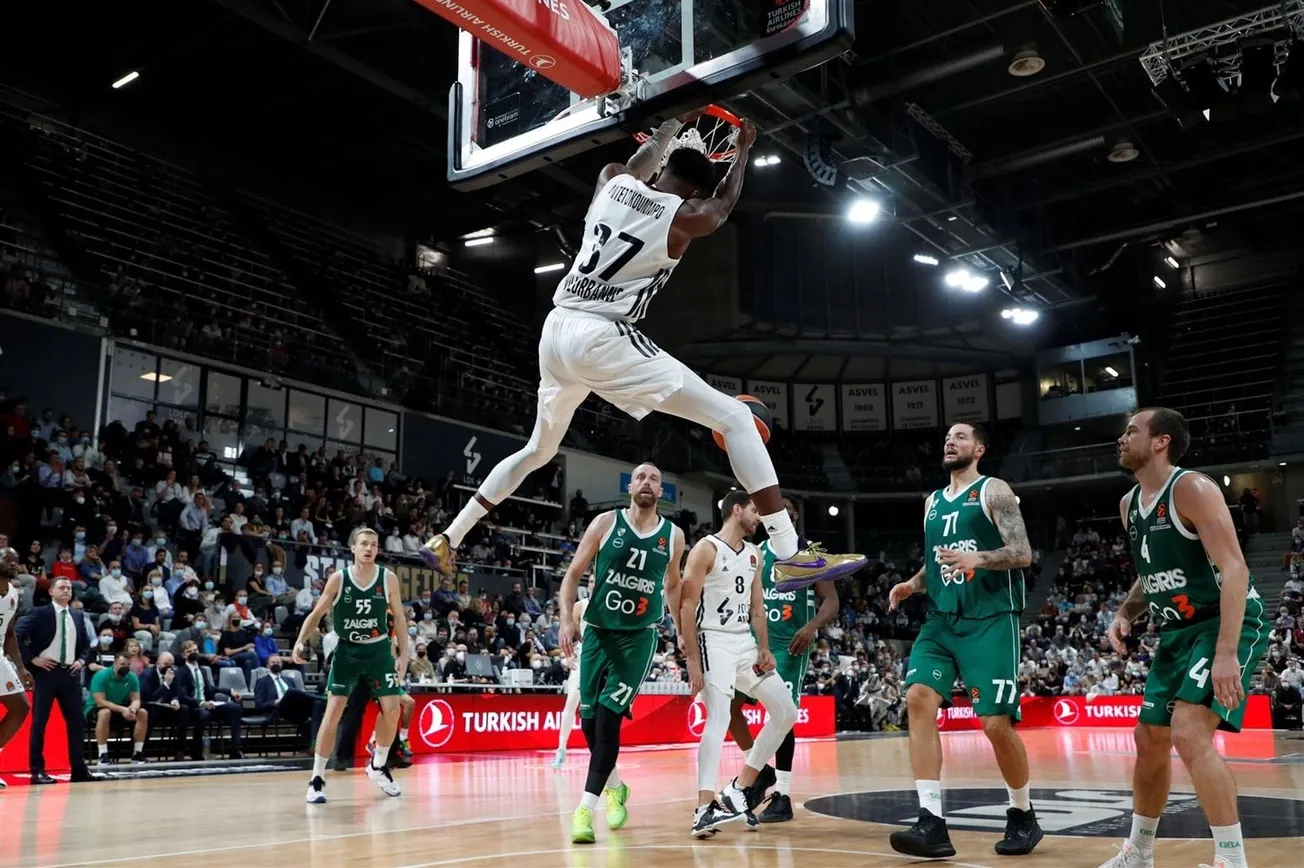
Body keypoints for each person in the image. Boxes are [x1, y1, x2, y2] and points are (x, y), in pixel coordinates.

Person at [421, 112, 863, 592]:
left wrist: (670, 124)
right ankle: (788, 552)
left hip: (556, 328)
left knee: (538, 449)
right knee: (734, 419)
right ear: (693, 191)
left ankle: (450, 535)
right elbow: (722, 206)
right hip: (603, 334)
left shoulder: (612, 180)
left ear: (665, 166)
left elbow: (638, 163)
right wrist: (744, 153)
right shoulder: (684, 218)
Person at [1099, 409, 1269, 868]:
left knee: (1190, 734)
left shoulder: (1191, 488)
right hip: (1176, 629)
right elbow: (1149, 571)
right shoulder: (1128, 503)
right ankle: (1139, 851)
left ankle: (1232, 860)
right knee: (1149, 737)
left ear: (1161, 442)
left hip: (1223, 620)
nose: (1122, 438)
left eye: (1132, 430)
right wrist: (1126, 611)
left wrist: (1227, 652)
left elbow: (1235, 569)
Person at [887, 422, 1042, 858]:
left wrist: (980, 558)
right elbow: (937, 563)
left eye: (959, 437)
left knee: (994, 725)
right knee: (917, 697)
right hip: (941, 619)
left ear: (979, 448)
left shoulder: (994, 490)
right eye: (947, 438)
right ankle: (931, 822)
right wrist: (913, 584)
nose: (950, 442)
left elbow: (1023, 552)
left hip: (991, 618)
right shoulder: (932, 502)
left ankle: (1022, 814)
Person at [558, 462, 684, 844]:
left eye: (655, 479)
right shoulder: (604, 523)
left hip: (637, 639)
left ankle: (584, 809)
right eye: (641, 477)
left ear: (661, 492)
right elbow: (572, 575)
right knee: (589, 722)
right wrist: (566, 620)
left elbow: (674, 586)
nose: (647, 483)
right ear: (630, 486)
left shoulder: (673, 535)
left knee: (610, 720)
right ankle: (615, 787)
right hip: (597, 632)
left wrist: (681, 633)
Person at [680, 490, 799, 837]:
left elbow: (757, 607)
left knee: (786, 710)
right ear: (736, 510)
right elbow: (687, 606)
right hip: (712, 639)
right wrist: (692, 660)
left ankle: (738, 790)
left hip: (744, 642)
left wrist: (764, 648)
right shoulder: (706, 549)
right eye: (754, 511)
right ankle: (703, 809)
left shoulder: (754, 555)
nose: (759, 518)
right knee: (717, 720)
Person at [727, 496, 839, 822]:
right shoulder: (755, 552)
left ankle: (784, 796)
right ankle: (760, 770)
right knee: (730, 707)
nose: (779, 517)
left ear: (794, 517)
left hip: (790, 645)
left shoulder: (811, 555)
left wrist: (811, 627)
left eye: (786, 512)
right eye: (772, 512)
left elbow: (831, 601)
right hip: (753, 642)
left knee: (781, 715)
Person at [293, 527, 408, 803]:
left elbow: (400, 618)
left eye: (374, 544)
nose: (369, 548)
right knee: (333, 713)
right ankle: (317, 778)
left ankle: (378, 765)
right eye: (364, 544)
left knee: (392, 710)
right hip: (348, 651)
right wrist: (300, 641)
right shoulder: (339, 579)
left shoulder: (387, 578)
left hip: (379, 648)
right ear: (353, 549)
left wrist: (403, 654)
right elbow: (317, 612)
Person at [15, 576, 98, 784]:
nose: (66, 591)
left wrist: (81, 660)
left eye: (69, 588)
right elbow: (15, 635)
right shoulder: (40, 613)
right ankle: (37, 770)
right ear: (51, 591)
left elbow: (88, 645)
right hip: (47, 672)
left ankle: (79, 769)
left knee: (77, 722)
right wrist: (33, 659)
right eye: (61, 587)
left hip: (69, 673)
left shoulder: (78, 616)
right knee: (40, 722)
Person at [173, 639, 246, 760]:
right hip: (193, 707)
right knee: (204, 714)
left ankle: (235, 749)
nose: (193, 653)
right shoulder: (181, 672)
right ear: (183, 655)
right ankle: (196, 751)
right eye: (189, 651)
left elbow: (210, 688)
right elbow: (181, 696)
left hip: (208, 704)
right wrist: (201, 703)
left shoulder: (202, 670)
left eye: (195, 650)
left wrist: (230, 691)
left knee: (235, 708)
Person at [551, 583, 590, 770]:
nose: (593, 583)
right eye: (590, 581)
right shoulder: (580, 605)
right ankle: (561, 748)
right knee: (572, 700)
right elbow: (568, 631)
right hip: (582, 657)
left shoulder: (609, 605)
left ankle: (598, 750)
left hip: (601, 658)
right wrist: (568, 656)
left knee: (596, 707)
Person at [86, 652, 149, 765]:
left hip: (120, 708)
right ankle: (102, 755)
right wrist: (123, 710)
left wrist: (133, 709)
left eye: (128, 665)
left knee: (142, 712)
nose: (125, 667)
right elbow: (100, 702)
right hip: (96, 708)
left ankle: (137, 753)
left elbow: (136, 699)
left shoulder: (132, 677)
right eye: (122, 664)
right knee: (105, 712)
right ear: (115, 663)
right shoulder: (101, 675)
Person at [0, 562, 33, 778]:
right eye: (7, 558)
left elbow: (10, 632)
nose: (13, 562)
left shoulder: (13, 593)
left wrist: (21, 668)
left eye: (15, 558)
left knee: (20, 707)